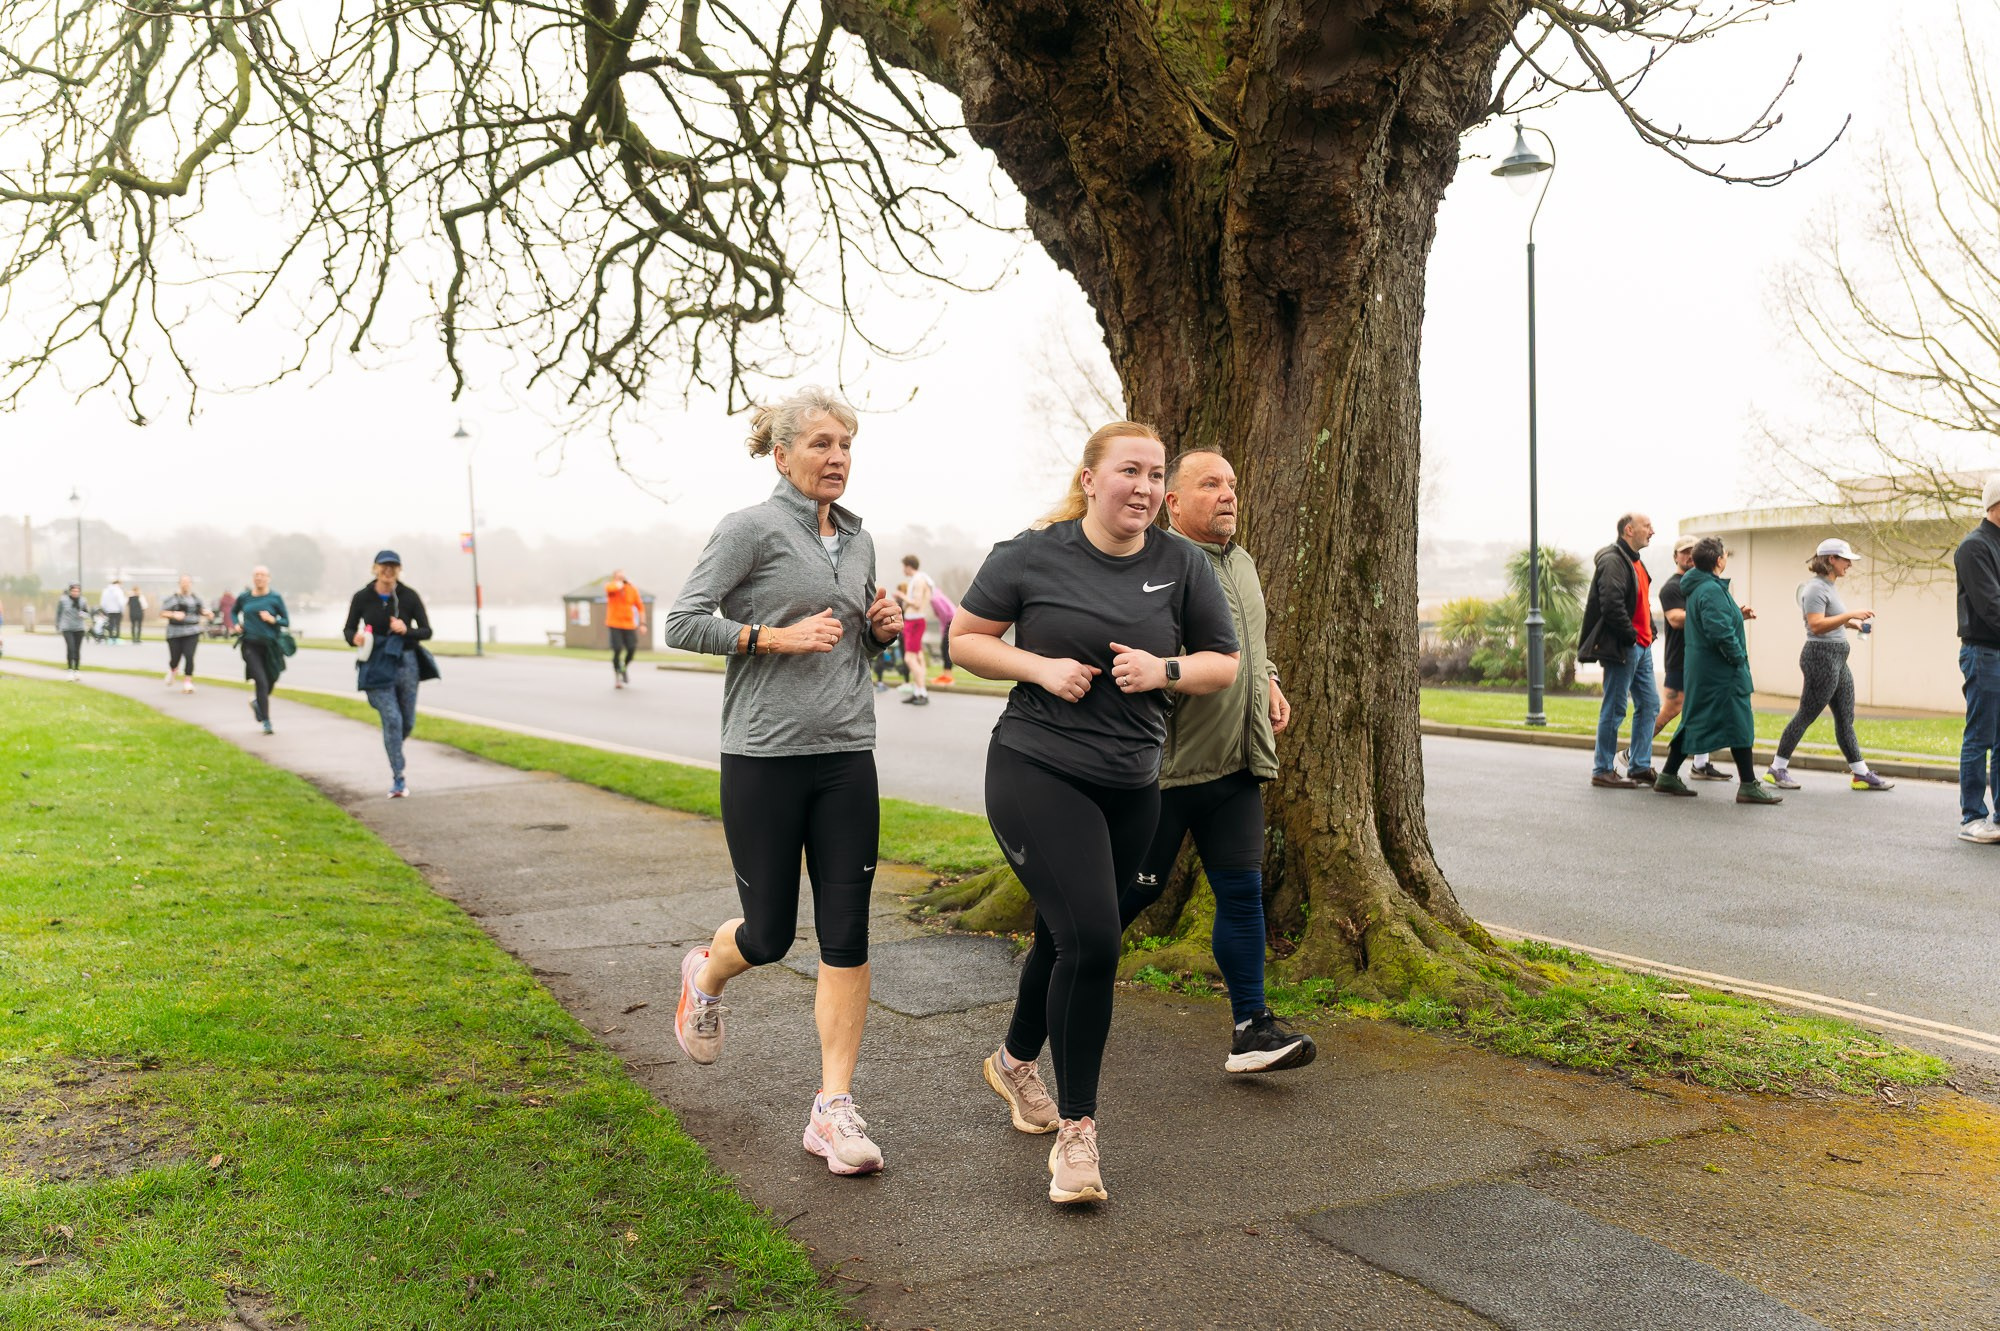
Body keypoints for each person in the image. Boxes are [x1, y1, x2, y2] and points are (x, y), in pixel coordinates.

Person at [952, 421, 1239, 1205]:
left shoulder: (1180, 562)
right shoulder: (1032, 552)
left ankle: (1013, 1061)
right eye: (1129, 472)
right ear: (1090, 479)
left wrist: (1165, 668)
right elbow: (966, 639)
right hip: (1036, 768)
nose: (1144, 488)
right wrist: (1039, 666)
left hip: (1132, 783)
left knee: (1065, 933)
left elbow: (1225, 662)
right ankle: (1078, 1138)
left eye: (1155, 475)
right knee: (1094, 937)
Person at [665, 387, 906, 1178]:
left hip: (847, 754)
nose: (837, 458)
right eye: (822, 444)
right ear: (783, 454)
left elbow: (853, 653)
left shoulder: (862, 540)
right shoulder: (750, 529)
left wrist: (877, 635)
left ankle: (832, 1107)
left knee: (847, 929)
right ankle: (705, 973)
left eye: (847, 446)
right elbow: (683, 621)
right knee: (768, 935)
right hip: (763, 756)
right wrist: (772, 635)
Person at [1117, 448, 1312, 1074]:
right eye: (1210, 485)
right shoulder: (1159, 565)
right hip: (1167, 773)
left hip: (1235, 767)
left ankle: (1251, 1029)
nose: (1228, 495)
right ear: (1173, 502)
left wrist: (1270, 681)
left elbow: (1248, 647)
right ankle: (1049, 992)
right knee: (1126, 898)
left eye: (1231, 483)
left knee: (1242, 892)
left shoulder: (1243, 563)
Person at [1651, 539, 1781, 804]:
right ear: (1719, 560)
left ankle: (1667, 775)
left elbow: (1712, 621)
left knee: (1694, 718)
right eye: (1724, 555)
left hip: (1705, 669)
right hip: (1721, 671)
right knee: (1740, 722)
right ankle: (1748, 785)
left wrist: (1736, 615)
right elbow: (1719, 631)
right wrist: (1738, 658)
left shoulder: (1701, 588)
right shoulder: (1710, 589)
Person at [1762, 538, 1892, 793]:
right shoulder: (1815, 589)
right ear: (1831, 559)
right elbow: (1816, 625)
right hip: (1820, 657)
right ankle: (1777, 769)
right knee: (1806, 714)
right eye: (1846, 560)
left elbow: (1830, 619)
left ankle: (1860, 774)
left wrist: (1851, 625)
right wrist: (1850, 614)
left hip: (1837, 658)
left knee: (1845, 717)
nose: (1849, 566)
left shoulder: (1829, 587)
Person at [1641, 536, 1736, 782]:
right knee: (1673, 708)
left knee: (1700, 710)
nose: (1689, 556)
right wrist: (1705, 613)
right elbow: (1673, 619)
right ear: (1675, 557)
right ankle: (1634, 754)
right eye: (1684, 552)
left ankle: (1701, 763)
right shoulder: (1672, 587)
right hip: (1678, 659)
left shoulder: (1701, 584)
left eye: (1693, 552)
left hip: (1699, 658)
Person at [343, 551, 436, 798]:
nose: (388, 571)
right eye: (384, 566)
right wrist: (355, 637)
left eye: (393, 567)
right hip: (376, 663)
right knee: (393, 720)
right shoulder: (362, 597)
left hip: (406, 661)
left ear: (399, 570)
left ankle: (392, 744)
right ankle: (398, 778)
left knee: (407, 722)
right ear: (375, 568)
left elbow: (427, 631)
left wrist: (407, 629)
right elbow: (348, 628)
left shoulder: (409, 596)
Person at [1577, 514, 1660, 788]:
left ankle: (1638, 765)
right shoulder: (1613, 560)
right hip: (1626, 646)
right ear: (1629, 530)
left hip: (1642, 647)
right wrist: (1632, 636)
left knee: (1649, 705)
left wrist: (1648, 633)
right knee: (1615, 707)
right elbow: (1612, 605)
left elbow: (1640, 601)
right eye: (1647, 527)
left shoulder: (1634, 559)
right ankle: (1602, 769)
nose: (1652, 531)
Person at [1953, 476, 2000, 843]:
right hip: (1983, 652)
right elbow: (1991, 607)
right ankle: (1972, 817)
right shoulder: (1974, 547)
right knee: (1980, 736)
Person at [236, 567, 289, 735]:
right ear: (253, 578)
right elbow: (232, 612)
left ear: (269, 578)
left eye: (262, 575)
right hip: (250, 645)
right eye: (256, 575)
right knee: (261, 681)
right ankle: (266, 721)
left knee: (272, 678)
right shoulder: (245, 597)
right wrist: (235, 624)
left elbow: (286, 621)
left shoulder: (275, 598)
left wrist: (272, 619)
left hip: (271, 647)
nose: (259, 578)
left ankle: (258, 703)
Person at [160, 575, 207, 694]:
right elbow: (162, 612)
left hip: (192, 631)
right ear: (179, 583)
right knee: (175, 658)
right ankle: (173, 669)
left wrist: (208, 613)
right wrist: (174, 615)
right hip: (175, 632)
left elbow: (202, 610)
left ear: (191, 583)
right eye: (183, 582)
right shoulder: (172, 598)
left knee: (189, 656)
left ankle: (187, 682)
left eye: (187, 582)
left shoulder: (196, 599)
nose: (185, 584)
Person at [897, 555, 933, 706]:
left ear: (908, 566)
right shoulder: (920, 579)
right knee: (917, 658)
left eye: (904, 566)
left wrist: (901, 596)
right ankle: (918, 692)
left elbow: (917, 604)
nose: (903, 569)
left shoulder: (918, 580)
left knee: (909, 659)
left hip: (914, 622)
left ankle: (922, 693)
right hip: (914, 621)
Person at [604, 570, 645, 688]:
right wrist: (619, 584)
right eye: (618, 577)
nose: (621, 579)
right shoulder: (611, 586)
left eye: (623, 577)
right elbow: (611, 589)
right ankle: (617, 676)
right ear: (614, 578)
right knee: (617, 649)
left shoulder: (632, 589)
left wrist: (642, 624)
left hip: (629, 625)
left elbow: (640, 607)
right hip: (614, 624)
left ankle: (623, 668)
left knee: (631, 649)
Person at [56, 584, 88, 679]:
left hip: (79, 628)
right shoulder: (63, 600)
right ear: (70, 591)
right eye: (73, 591)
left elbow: (87, 613)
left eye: (77, 591)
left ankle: (76, 670)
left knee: (77, 649)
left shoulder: (83, 601)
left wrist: (83, 614)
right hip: (67, 628)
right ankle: (70, 670)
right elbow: (58, 613)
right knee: (70, 648)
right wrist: (57, 625)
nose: (75, 593)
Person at [930, 580, 957, 683]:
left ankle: (948, 677)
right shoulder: (937, 595)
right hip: (950, 622)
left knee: (946, 648)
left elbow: (944, 615)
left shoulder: (934, 599)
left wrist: (944, 630)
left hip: (950, 622)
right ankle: (946, 674)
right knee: (944, 648)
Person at [100, 577, 125, 644]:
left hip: (109, 610)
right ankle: (117, 638)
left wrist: (105, 609)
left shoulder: (106, 590)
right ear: (118, 583)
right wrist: (122, 609)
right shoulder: (118, 590)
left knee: (110, 624)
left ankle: (110, 638)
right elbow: (121, 601)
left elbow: (103, 602)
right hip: (117, 610)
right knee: (117, 624)